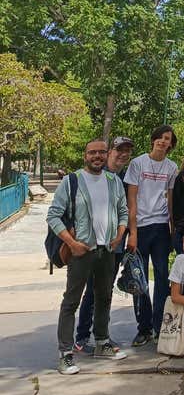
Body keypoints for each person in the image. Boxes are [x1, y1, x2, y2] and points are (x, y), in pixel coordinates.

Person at [48, 139, 129, 375]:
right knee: (71, 301)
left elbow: (123, 211)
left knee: (104, 297)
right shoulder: (72, 181)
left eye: (101, 152)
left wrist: (120, 234)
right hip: (82, 250)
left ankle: (102, 342)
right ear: (85, 156)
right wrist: (72, 243)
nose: (97, 156)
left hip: (107, 250)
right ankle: (65, 353)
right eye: (92, 152)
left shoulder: (114, 181)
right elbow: (54, 216)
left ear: (107, 155)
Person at [75, 136, 133, 353]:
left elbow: (124, 210)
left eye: (127, 151)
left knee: (104, 291)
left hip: (114, 244)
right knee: (91, 290)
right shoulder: (97, 174)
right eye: (119, 150)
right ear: (110, 152)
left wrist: (124, 235)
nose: (123, 154)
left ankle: (102, 336)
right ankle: (82, 337)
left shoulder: (125, 177)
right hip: (92, 243)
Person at [124, 125, 178, 346]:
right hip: (142, 226)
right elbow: (132, 201)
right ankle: (143, 327)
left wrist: (173, 230)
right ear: (153, 139)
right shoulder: (138, 163)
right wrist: (133, 233)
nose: (163, 141)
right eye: (160, 137)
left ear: (171, 144)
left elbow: (172, 201)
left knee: (163, 276)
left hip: (161, 226)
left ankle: (159, 325)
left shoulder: (172, 167)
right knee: (140, 279)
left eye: (167, 139)